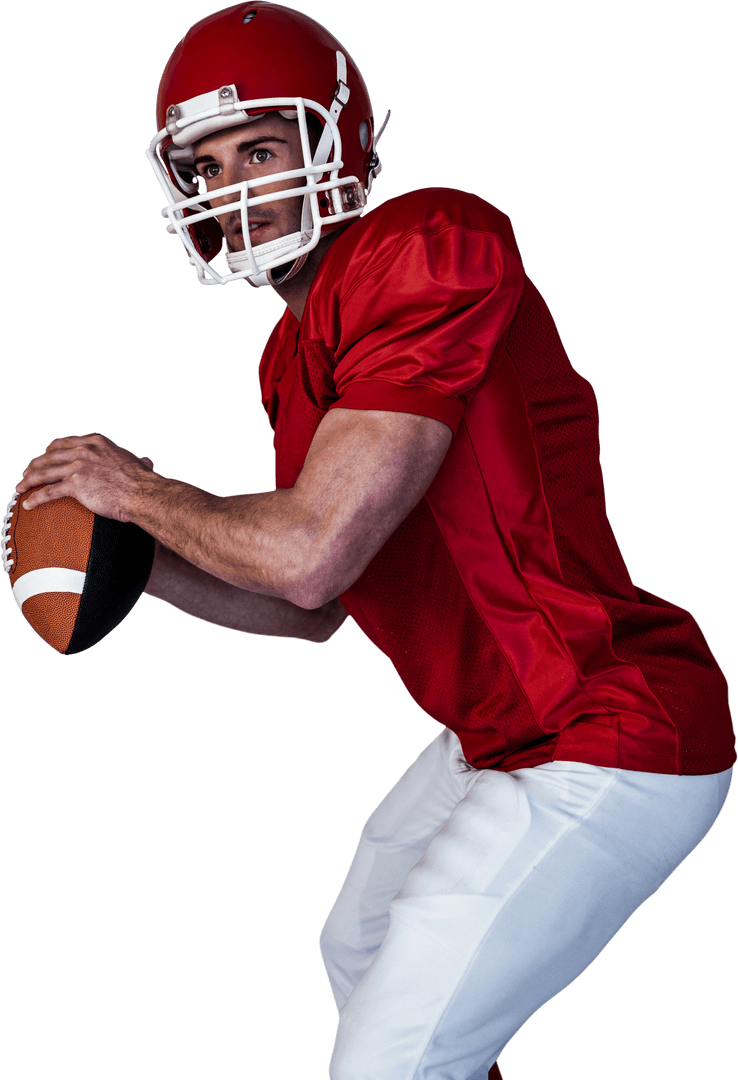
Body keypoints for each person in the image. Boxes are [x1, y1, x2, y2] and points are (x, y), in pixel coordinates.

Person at [15, 4, 735, 1078]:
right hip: (500, 732)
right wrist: (136, 553)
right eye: (208, 169)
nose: (238, 191)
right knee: (356, 946)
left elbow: (309, 548)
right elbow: (309, 607)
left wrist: (143, 490)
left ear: (335, 145)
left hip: (604, 728)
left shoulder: (426, 245)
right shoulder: (289, 354)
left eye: (260, 149)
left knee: (385, 1065)